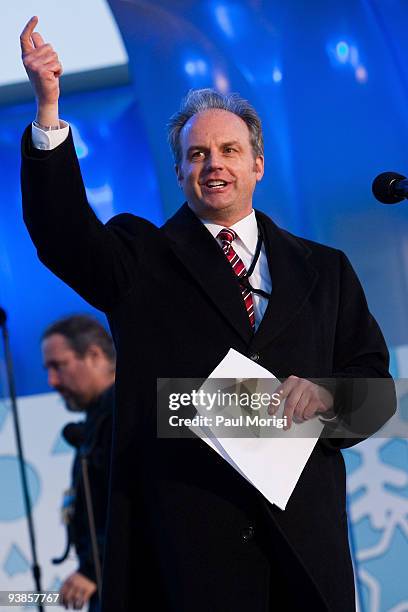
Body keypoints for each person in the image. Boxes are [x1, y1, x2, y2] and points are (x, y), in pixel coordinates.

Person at [20, 16, 395, 612]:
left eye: (229, 150)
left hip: (305, 552)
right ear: (179, 172)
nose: (213, 163)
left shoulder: (325, 270)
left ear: (257, 165)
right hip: (188, 553)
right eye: (197, 153)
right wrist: (47, 110)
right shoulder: (141, 257)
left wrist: (324, 397)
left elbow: (377, 392)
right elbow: (62, 234)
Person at [42, 315, 115, 611]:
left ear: (95, 356)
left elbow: (136, 497)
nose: (52, 381)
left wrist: (96, 564)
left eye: (58, 366)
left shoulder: (128, 415)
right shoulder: (97, 421)